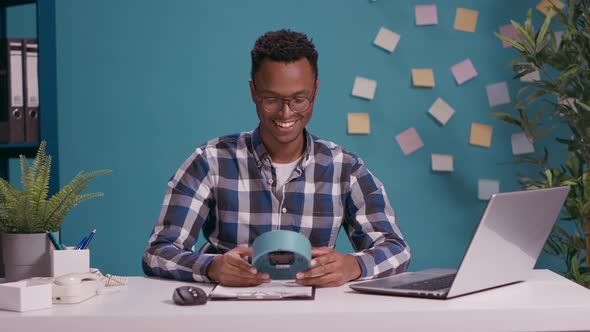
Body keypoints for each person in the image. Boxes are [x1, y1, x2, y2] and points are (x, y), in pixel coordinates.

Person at [142, 29, 410, 287]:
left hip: (315, 313)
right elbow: (158, 252)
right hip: (224, 312)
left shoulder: (345, 168)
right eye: (271, 99)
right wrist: (211, 267)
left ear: (315, 91)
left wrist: (353, 266)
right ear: (253, 92)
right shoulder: (210, 160)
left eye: (299, 99)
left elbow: (396, 249)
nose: (285, 113)